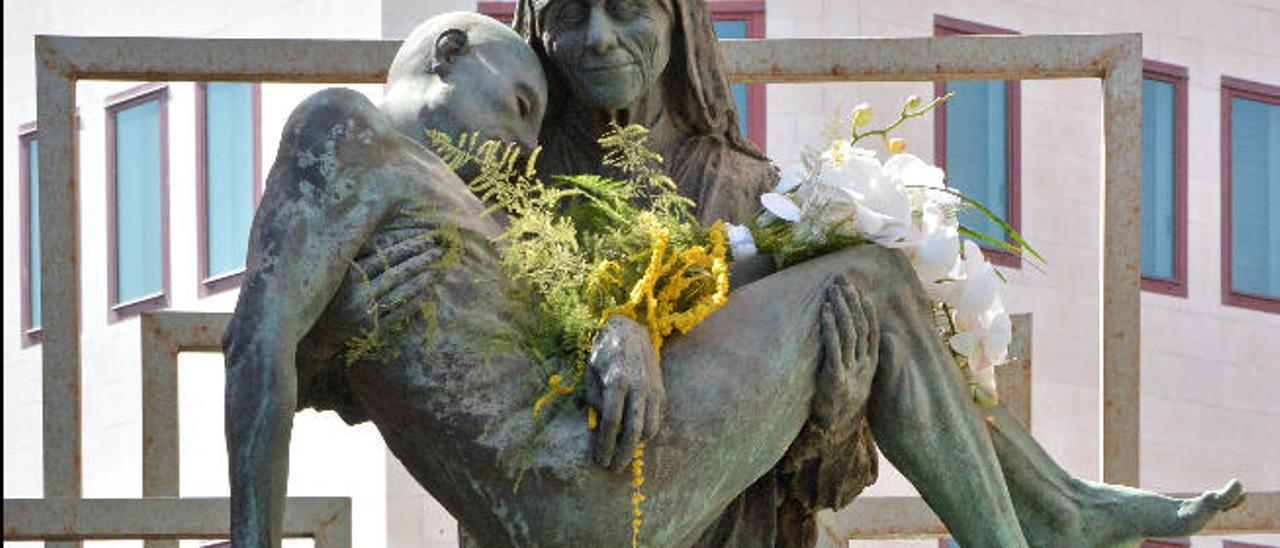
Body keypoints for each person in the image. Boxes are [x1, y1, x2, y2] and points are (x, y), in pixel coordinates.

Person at [225, 9, 1245, 548]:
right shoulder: (431, 170)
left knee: (868, 273)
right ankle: (1057, 516)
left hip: (678, 504)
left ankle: (1058, 507)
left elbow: (832, 471)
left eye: (629, 9)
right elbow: (292, 353)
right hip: (578, 498)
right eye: (565, 23)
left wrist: (830, 402)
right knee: (874, 272)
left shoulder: (740, 188)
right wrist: (338, 325)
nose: (596, 40)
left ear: (680, 27)